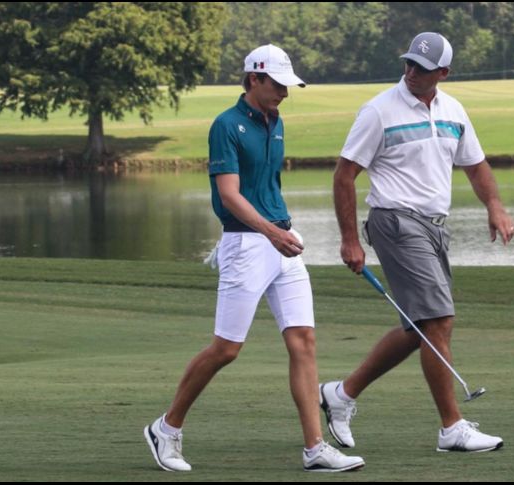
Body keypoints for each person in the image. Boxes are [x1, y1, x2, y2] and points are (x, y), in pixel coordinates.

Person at [144, 44, 364, 473]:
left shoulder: (275, 121)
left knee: (303, 341)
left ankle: (315, 448)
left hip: (282, 241)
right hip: (246, 244)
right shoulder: (226, 125)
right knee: (226, 349)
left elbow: (268, 186)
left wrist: (283, 232)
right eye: (277, 84)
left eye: (287, 85)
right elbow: (229, 195)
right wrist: (271, 233)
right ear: (254, 79)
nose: (284, 92)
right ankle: (166, 429)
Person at [322, 32, 514, 453]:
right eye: (408, 63)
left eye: (422, 68)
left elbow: (476, 166)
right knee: (439, 320)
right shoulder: (379, 111)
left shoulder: (453, 110)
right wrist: (350, 239)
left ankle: (341, 393)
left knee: (419, 329)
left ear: (443, 73)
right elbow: (344, 175)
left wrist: (495, 206)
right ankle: (452, 427)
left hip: (434, 227)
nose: (411, 72)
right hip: (395, 222)